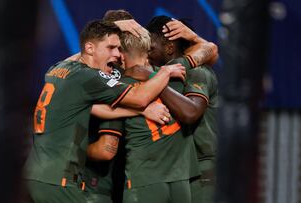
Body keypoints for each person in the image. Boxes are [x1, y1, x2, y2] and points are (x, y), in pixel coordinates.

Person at [24, 19, 186, 203]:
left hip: (37, 173)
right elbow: (140, 97)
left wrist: (141, 112)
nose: (118, 54)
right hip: (59, 178)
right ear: (90, 48)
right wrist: (164, 72)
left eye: (119, 48)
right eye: (111, 48)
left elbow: (96, 108)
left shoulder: (59, 69)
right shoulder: (89, 76)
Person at [146, 15, 219, 203]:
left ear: (169, 48)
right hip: (179, 170)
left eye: (151, 48)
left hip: (204, 169)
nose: (147, 54)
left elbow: (190, 113)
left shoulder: (197, 72)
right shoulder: (160, 76)